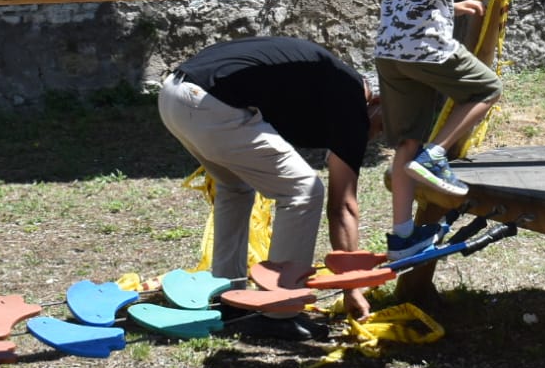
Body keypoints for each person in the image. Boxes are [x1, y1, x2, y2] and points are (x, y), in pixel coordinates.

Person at [158, 36, 384, 337]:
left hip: (174, 93)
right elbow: (342, 207)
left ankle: (228, 297)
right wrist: (353, 287)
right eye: (384, 125)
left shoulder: (326, 82)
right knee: (304, 190)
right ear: (377, 102)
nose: (379, 136)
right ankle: (280, 311)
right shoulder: (350, 99)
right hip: (208, 103)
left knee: (234, 187)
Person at [374, 0, 509, 261]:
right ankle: (436, 157)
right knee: (487, 87)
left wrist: (453, 6)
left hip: (390, 48)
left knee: (406, 143)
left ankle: (402, 237)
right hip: (424, 46)